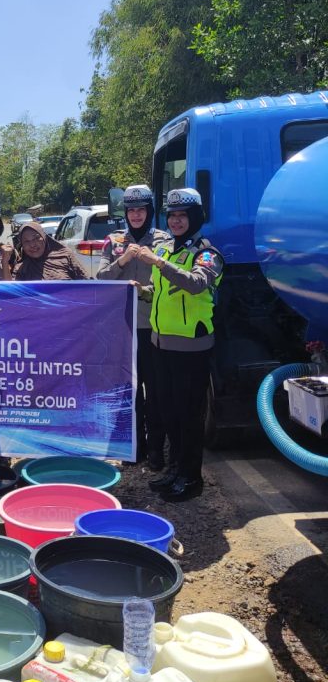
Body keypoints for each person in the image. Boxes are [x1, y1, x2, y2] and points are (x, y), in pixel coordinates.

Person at [138, 188, 224, 502]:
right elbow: (160, 291)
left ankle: (191, 478)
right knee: (170, 413)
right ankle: (174, 470)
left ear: (195, 218)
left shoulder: (207, 253)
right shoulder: (166, 251)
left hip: (191, 348)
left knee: (189, 417)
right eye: (172, 215)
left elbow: (196, 283)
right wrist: (142, 290)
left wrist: (159, 265)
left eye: (182, 216)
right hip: (161, 344)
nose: (176, 221)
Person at [96, 185, 172, 470]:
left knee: (156, 391)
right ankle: (133, 447)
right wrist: (124, 259)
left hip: (155, 327)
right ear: (126, 213)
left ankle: (156, 450)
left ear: (149, 211)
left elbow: (170, 277)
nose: (136, 215)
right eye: (131, 210)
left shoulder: (164, 240)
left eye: (141, 210)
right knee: (129, 391)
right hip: (123, 327)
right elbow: (102, 277)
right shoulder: (114, 241)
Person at [13, 220, 87, 281]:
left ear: (44, 238)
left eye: (36, 238)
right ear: (22, 245)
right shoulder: (21, 268)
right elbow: (12, 292)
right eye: (26, 241)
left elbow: (87, 283)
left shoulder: (65, 255)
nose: (32, 244)